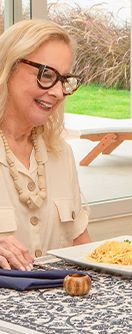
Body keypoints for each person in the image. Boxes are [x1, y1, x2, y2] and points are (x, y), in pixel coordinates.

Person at [0, 19, 90, 271]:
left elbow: (81, 247)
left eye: (63, 80)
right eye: (46, 75)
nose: (58, 92)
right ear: (8, 68)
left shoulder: (61, 154)